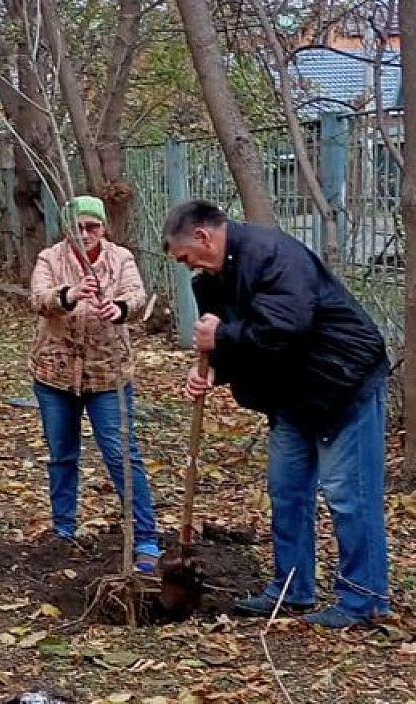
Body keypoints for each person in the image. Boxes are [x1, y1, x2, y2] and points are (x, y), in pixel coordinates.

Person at [162, 199, 390, 628]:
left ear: (203, 237)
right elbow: (235, 341)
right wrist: (215, 373)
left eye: (185, 256)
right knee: (286, 492)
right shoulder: (210, 280)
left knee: (349, 497)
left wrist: (222, 336)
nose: (186, 266)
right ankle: (292, 588)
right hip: (291, 396)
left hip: (342, 383)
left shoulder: (272, 254)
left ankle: (364, 601)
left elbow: (286, 327)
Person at [28, 195, 161, 571]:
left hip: (107, 375)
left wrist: (118, 308)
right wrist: (68, 295)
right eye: (78, 226)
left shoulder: (121, 259)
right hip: (55, 374)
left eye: (93, 226)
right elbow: (38, 299)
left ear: (104, 228)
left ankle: (146, 538)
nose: (85, 233)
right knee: (62, 454)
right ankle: (64, 532)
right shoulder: (50, 258)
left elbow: (136, 297)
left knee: (122, 454)